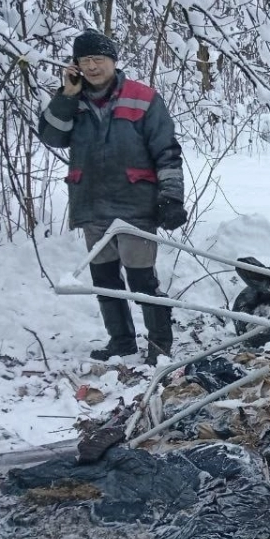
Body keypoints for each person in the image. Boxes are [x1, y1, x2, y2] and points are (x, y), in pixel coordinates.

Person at [38, 29, 189, 364]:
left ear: (113, 61)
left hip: (135, 205)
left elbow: (167, 151)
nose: (92, 67)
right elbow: (51, 136)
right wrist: (66, 95)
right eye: (85, 61)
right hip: (92, 205)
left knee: (141, 280)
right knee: (104, 280)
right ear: (76, 65)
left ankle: (160, 347)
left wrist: (171, 197)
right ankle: (121, 343)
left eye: (98, 59)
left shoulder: (142, 97)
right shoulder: (72, 101)